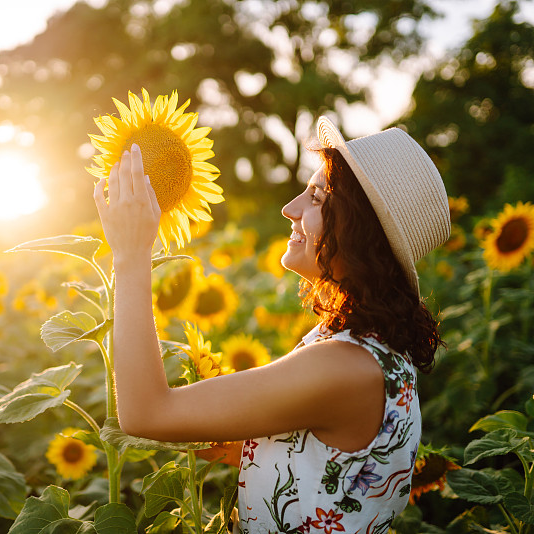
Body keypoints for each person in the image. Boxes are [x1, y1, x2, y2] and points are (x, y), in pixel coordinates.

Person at [93, 116, 450, 533]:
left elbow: (146, 413)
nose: (290, 208)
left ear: (359, 231)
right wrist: (259, 445)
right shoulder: (375, 353)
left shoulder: (342, 367)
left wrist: (131, 254)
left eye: (316, 197)